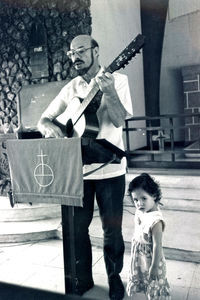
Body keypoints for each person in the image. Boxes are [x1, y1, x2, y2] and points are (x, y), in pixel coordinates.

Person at [37, 34, 133, 299]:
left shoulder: (118, 80)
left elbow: (118, 120)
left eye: (80, 50)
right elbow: (44, 118)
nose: (75, 56)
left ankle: (115, 279)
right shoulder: (71, 87)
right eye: (71, 53)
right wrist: (51, 130)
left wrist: (109, 90)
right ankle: (83, 279)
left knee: (111, 230)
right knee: (77, 229)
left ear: (96, 51)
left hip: (111, 170)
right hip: (77, 171)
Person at [126, 173, 171, 300]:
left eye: (144, 198)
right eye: (135, 200)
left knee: (154, 281)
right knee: (143, 279)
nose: (139, 203)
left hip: (151, 258)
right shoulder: (141, 210)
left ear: (154, 196)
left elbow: (157, 245)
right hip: (139, 255)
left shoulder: (156, 221)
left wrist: (155, 267)